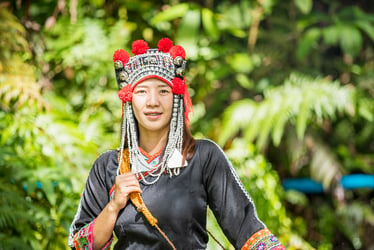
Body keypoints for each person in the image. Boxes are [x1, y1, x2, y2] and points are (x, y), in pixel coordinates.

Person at [68, 37, 286, 250]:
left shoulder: (203, 157)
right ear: (129, 99)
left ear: (177, 97)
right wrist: (114, 205)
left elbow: (246, 229)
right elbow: (80, 245)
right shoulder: (108, 166)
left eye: (163, 91)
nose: (153, 101)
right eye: (142, 91)